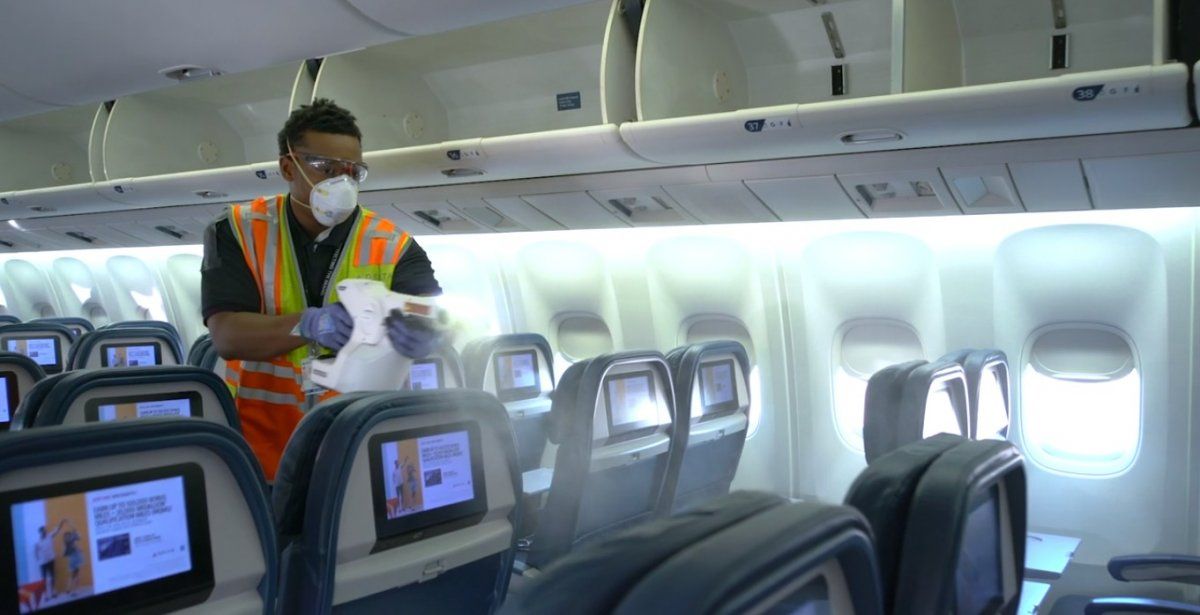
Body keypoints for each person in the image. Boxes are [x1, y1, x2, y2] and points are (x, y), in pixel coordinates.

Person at [202, 99, 441, 480]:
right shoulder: (237, 229)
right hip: (260, 446)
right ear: (287, 166)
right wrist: (309, 325)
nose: (341, 183)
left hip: (352, 445)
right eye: (326, 169)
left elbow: (434, 315)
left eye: (352, 172)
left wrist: (427, 335)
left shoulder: (394, 244)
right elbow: (227, 336)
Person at [34, 522, 61, 601]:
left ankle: (52, 593)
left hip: (51, 560)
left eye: (44, 531)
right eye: (42, 531)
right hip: (42, 563)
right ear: (39, 532)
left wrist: (60, 523)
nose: (44, 532)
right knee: (44, 579)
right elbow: (35, 551)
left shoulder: (49, 536)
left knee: (52, 577)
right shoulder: (37, 542)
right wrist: (37, 559)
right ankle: (45, 595)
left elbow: (56, 531)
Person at [60, 520, 83, 596]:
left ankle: (70, 589)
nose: (69, 536)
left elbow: (63, 554)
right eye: (68, 536)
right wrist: (69, 523)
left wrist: (67, 523)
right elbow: (74, 529)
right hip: (74, 559)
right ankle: (73, 590)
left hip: (73, 559)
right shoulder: (70, 541)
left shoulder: (67, 543)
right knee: (75, 575)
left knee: (74, 575)